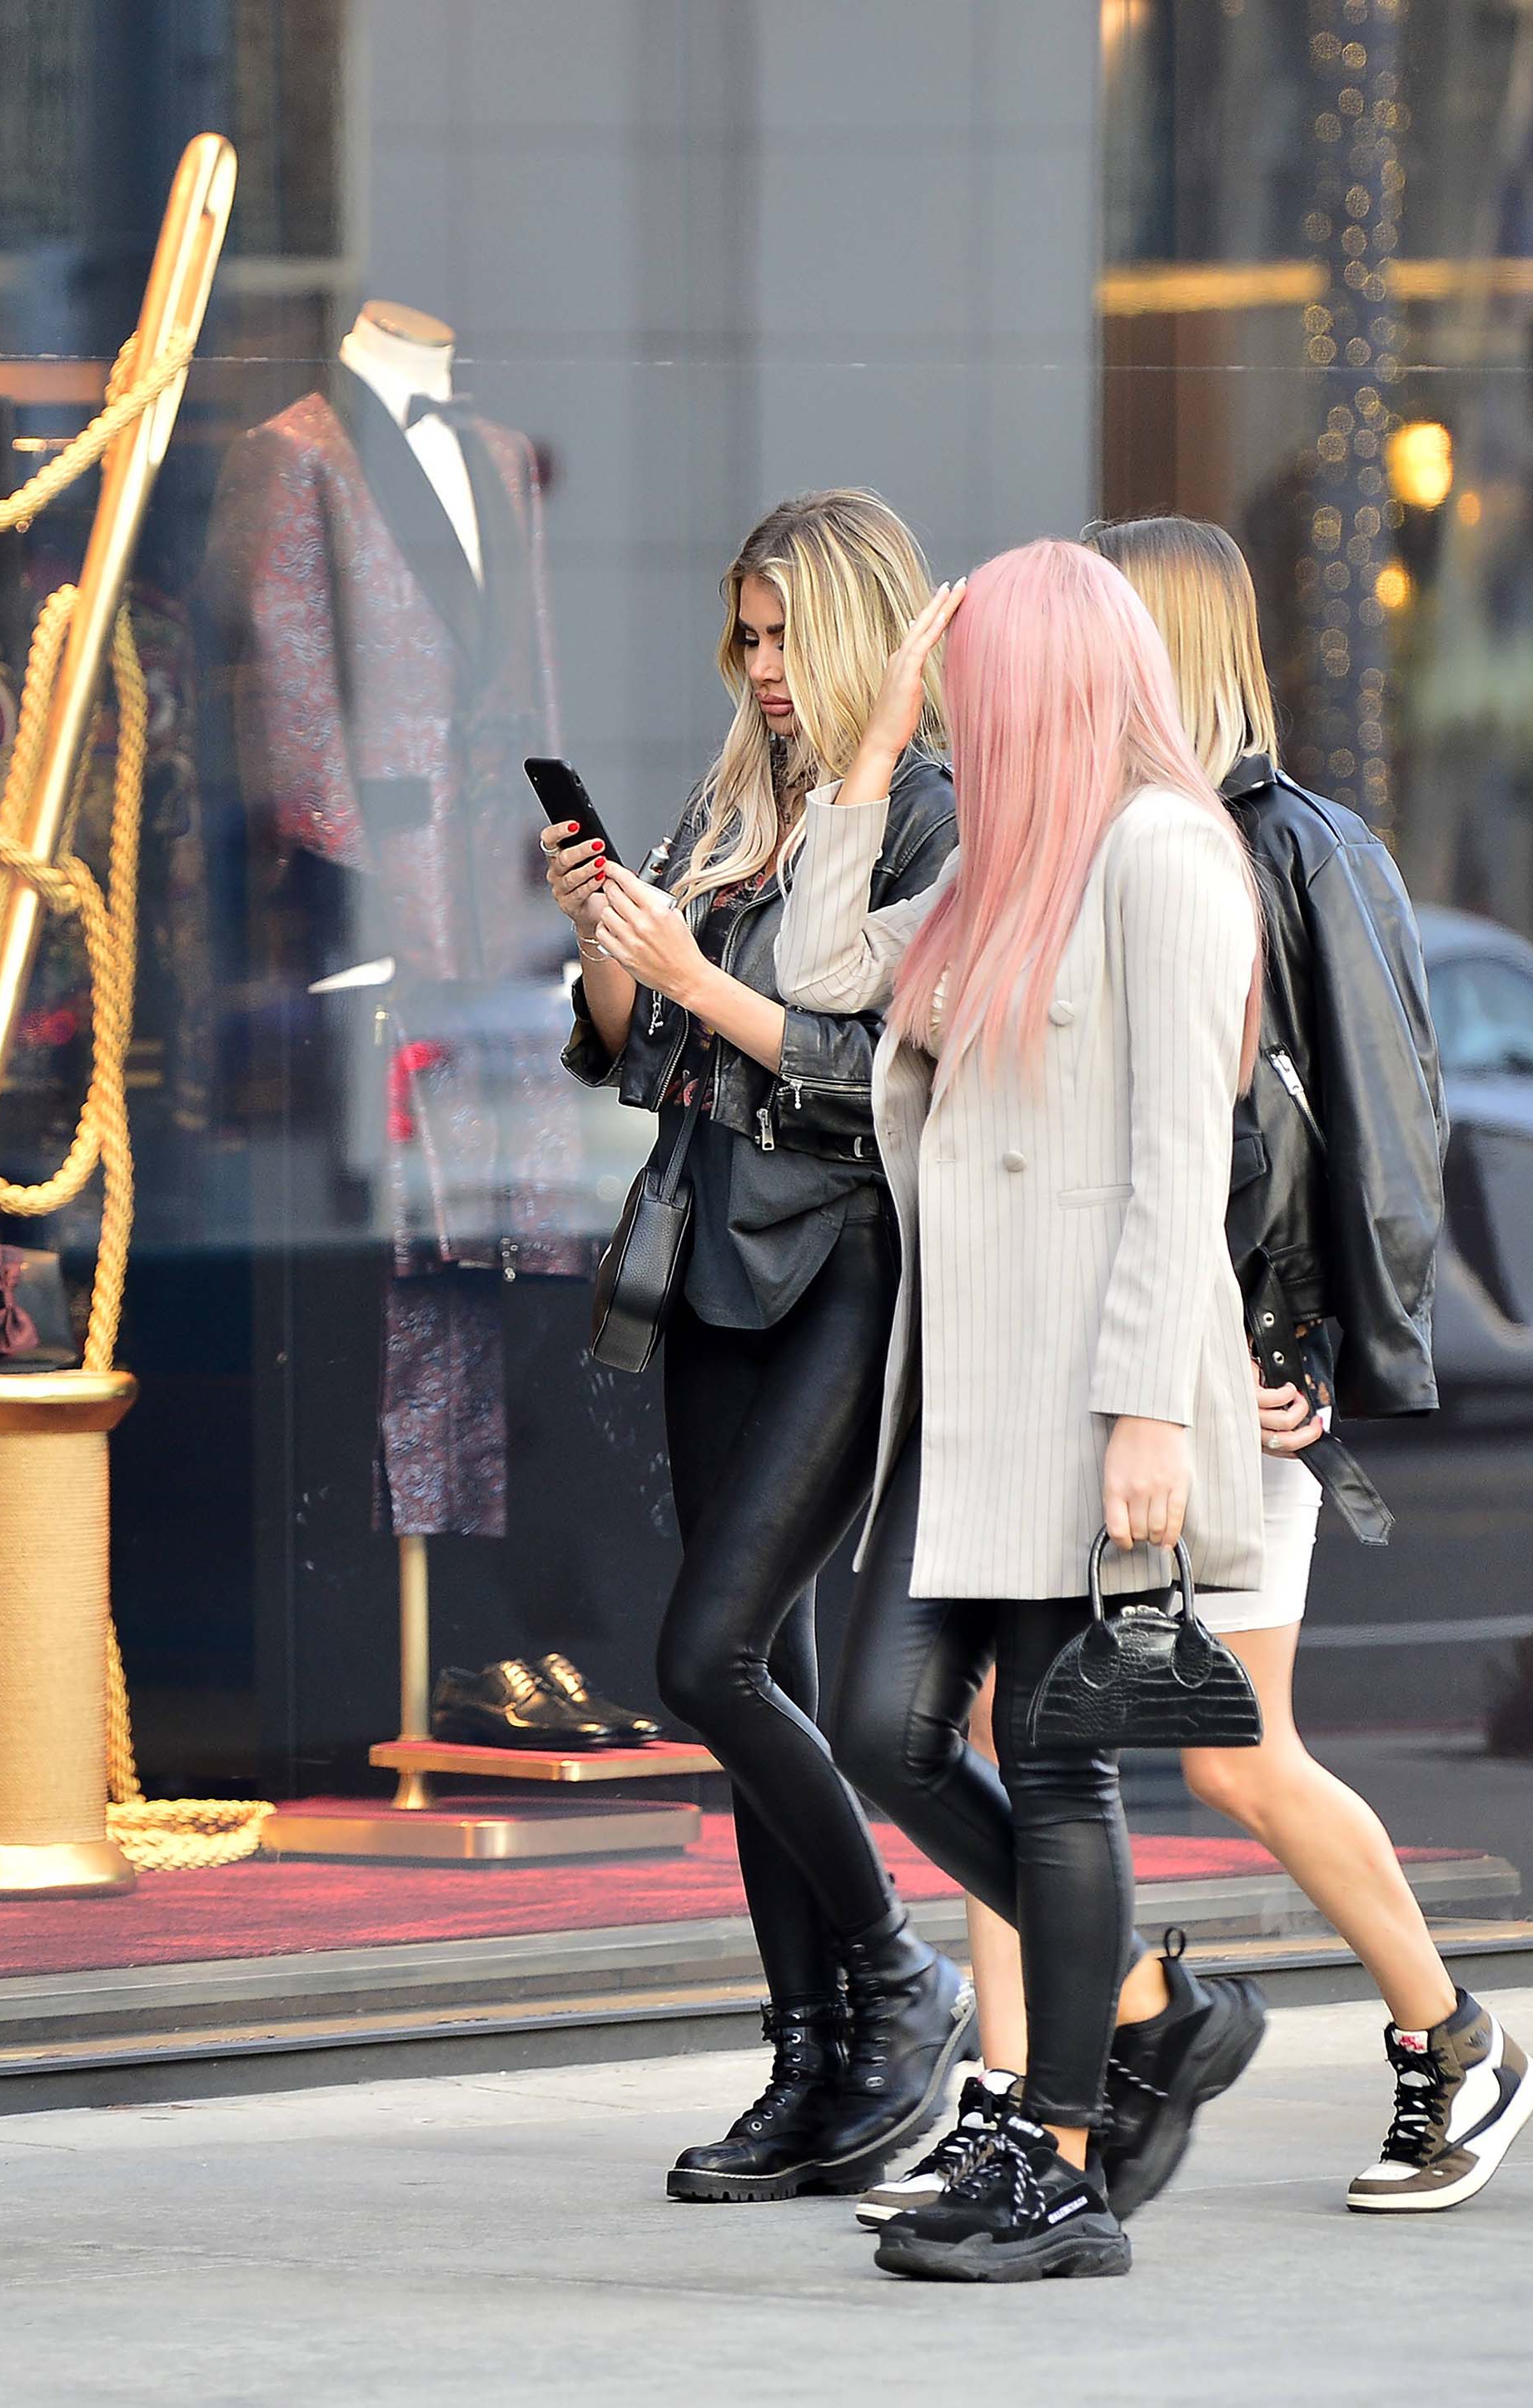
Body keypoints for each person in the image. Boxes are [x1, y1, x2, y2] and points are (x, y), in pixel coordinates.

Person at [897, 517, 1533, 2220]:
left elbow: (1355, 1127)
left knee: (1231, 1750)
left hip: (1218, 1378)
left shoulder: (1268, 848)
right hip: (1116, 1370)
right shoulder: (1071, 842)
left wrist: (1318, 1347)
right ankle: (1021, 2089)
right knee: (1005, 1726)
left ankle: (1451, 2039)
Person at [776, 536, 1266, 2281]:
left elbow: (1175, 1160)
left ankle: (1056, 2159)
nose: (959, 716)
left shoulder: (1162, 857)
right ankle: (1142, 2004)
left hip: (1084, 1399)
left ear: (1048, 679)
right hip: (960, 1400)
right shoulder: (1001, 861)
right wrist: (878, 732)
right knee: (885, 1730)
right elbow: (825, 961)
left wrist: (1149, 1410)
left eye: (972, 685)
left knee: (1061, 1781)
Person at [550, 492, 973, 2201]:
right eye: (747, 633)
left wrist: (695, 981)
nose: (766, 667)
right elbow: (630, 1050)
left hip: (854, 1263)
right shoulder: (737, 797)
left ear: (864, 629)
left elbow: (876, 1072)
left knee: (705, 1657)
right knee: (761, 1682)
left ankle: (900, 1981)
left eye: (790, 633)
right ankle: (812, 2065)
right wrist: (609, 950)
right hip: (713, 1258)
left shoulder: (932, 815)